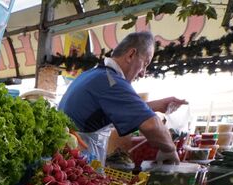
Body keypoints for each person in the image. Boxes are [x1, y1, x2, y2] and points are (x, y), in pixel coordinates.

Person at [58, 31, 186, 165]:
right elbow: (151, 126)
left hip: (68, 163)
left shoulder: (95, 74)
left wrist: (152, 106)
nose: (143, 73)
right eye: (145, 64)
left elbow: (114, 107)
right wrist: (170, 149)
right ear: (131, 55)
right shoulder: (111, 81)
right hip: (77, 166)